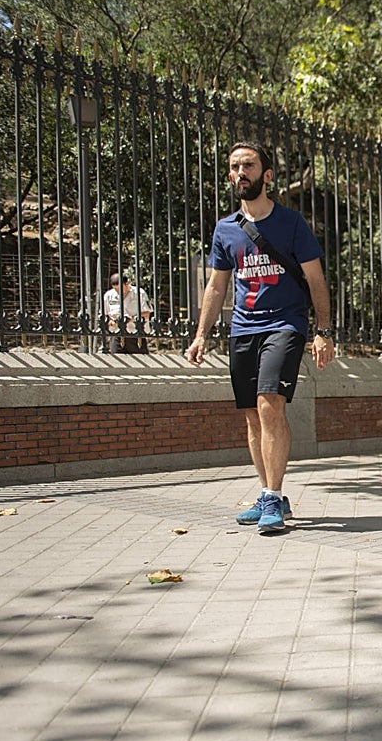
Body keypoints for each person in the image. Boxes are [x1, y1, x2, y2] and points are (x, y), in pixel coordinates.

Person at [185, 141, 335, 533]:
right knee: (252, 414)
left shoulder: (291, 224)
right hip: (243, 327)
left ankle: (272, 495)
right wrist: (202, 335)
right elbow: (217, 287)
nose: (240, 172)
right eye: (234, 167)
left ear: (266, 175)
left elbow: (316, 279)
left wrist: (323, 331)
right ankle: (271, 493)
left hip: (284, 323)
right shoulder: (225, 229)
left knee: (270, 404)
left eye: (248, 165)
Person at [103, 272, 153, 353]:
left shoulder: (139, 293)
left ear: (127, 284)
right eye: (115, 289)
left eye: (120, 288)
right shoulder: (108, 296)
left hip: (136, 334)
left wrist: (131, 319)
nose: (118, 291)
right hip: (117, 334)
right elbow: (105, 316)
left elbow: (147, 313)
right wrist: (110, 322)